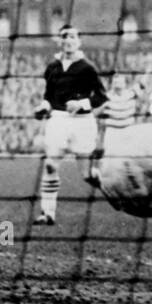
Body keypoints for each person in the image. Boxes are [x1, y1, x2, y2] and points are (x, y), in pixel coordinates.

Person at [33, 25, 108, 225]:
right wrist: (43, 107)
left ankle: (106, 186)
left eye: (72, 36)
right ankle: (47, 213)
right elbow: (49, 97)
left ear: (79, 41)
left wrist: (81, 103)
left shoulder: (87, 67)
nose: (68, 40)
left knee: (86, 175)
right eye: (64, 37)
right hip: (58, 119)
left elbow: (101, 97)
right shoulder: (52, 67)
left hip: (82, 123)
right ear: (60, 41)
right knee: (50, 165)